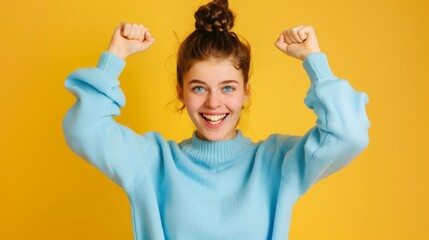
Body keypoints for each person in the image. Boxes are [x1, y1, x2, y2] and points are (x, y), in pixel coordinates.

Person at [62, 0, 370, 239]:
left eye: (228, 88)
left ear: (245, 92)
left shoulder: (276, 163)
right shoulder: (153, 162)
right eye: (199, 88)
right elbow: (84, 128)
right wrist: (115, 54)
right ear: (180, 91)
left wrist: (314, 61)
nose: (213, 103)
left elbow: (348, 134)